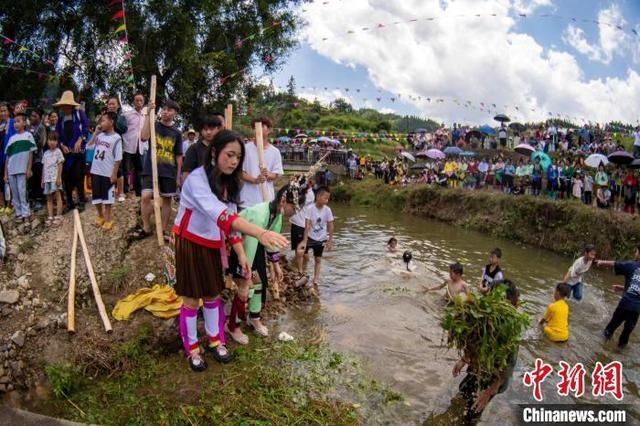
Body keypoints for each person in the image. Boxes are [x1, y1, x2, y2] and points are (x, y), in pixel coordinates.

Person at [172, 129, 287, 371]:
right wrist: (260, 233)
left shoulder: (228, 184)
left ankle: (216, 341)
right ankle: (191, 348)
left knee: (213, 294)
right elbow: (223, 216)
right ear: (214, 153)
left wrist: (242, 254)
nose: (234, 162)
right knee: (192, 299)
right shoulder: (196, 179)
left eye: (238, 157)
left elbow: (230, 222)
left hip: (213, 242)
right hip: (190, 241)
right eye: (229, 155)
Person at [226, 179, 304, 344]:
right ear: (283, 201)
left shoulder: (277, 213)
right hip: (239, 245)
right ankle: (233, 326)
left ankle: (254, 318)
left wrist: (275, 265)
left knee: (260, 284)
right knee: (245, 287)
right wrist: (247, 272)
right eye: (294, 208)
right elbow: (248, 248)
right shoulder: (259, 214)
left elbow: (272, 242)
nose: (294, 213)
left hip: (256, 245)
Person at [452, 280, 520, 423]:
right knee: (464, 390)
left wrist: (488, 392)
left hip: (495, 376)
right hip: (478, 366)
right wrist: (463, 360)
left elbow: (507, 369)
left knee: (473, 411)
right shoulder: (484, 319)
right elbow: (474, 344)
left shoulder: (510, 333)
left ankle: (473, 419)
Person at [137, 99, 183, 239]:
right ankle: (146, 227)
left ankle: (162, 229)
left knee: (167, 200)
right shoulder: (153, 125)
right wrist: (147, 114)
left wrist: (178, 175)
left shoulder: (177, 133)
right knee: (145, 197)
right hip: (150, 169)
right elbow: (144, 137)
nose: (165, 112)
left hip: (169, 171)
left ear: (175, 113)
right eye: (164, 109)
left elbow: (178, 156)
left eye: (169, 110)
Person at [54, 90, 90, 212]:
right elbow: (57, 135)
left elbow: (85, 129)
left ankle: (81, 201)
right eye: (63, 106)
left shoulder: (80, 114)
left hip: (78, 152)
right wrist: (61, 145)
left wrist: (80, 140)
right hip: (66, 153)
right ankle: (70, 202)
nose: (65, 108)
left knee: (79, 176)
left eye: (67, 105)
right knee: (67, 178)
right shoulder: (60, 119)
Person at [597, 248, 640, 349]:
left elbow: (614, 264)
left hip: (625, 304)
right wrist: (622, 288)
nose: (635, 253)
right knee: (626, 334)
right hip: (636, 309)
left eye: (637, 251)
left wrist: (601, 262)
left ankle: (600, 348)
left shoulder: (632, 265)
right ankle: (619, 353)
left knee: (611, 327)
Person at [87, 112, 122, 231]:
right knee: (96, 197)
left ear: (111, 122)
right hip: (96, 170)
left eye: (103, 120)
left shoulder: (117, 138)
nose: (101, 123)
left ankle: (108, 220)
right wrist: (95, 133)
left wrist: (114, 174)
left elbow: (118, 159)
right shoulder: (100, 135)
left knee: (107, 199)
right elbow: (89, 146)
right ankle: (100, 216)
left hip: (107, 172)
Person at [239, 118, 283, 208]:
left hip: (266, 199)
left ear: (269, 130)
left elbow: (276, 174)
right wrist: (255, 180)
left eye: (262, 126)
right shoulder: (245, 149)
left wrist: (267, 174)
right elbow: (240, 172)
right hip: (247, 200)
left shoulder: (275, 152)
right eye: (255, 127)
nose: (258, 129)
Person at [298, 186, 334, 287]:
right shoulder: (310, 209)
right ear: (318, 196)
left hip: (321, 238)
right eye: (325, 198)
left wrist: (330, 240)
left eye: (328, 199)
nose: (327, 201)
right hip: (310, 236)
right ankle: (300, 272)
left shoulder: (327, 210)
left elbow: (331, 225)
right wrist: (305, 240)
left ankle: (316, 278)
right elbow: (307, 225)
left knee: (318, 259)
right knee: (301, 252)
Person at [4, 113, 36, 221]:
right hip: (11, 169)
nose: (16, 124)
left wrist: (29, 168)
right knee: (15, 192)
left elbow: (31, 154)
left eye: (18, 121)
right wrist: (5, 173)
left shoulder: (28, 136)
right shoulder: (12, 138)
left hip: (22, 169)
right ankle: (18, 213)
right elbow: (8, 157)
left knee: (22, 191)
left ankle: (26, 213)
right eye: (15, 122)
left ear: (24, 123)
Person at [181, 115, 223, 180]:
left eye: (212, 129)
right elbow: (186, 173)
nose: (208, 132)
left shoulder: (223, 148)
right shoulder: (194, 149)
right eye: (205, 129)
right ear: (201, 131)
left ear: (218, 129)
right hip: (198, 187)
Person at [121, 93, 146, 197]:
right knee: (126, 168)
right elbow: (121, 127)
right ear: (133, 102)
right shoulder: (127, 114)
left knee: (139, 168)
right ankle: (125, 190)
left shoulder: (145, 115)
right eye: (137, 100)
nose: (139, 102)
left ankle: (138, 190)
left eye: (141, 100)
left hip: (140, 145)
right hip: (128, 144)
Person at [290, 177, 315, 274]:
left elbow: (295, 201)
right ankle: (305, 267)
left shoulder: (307, 195)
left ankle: (300, 270)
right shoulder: (307, 192)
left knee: (299, 250)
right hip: (299, 224)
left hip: (300, 224)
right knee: (303, 250)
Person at [41, 132, 64, 226]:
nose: (52, 142)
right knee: (49, 198)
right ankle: (50, 216)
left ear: (57, 142)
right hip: (47, 179)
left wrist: (59, 178)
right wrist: (42, 179)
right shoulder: (45, 153)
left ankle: (59, 216)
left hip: (55, 178)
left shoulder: (58, 152)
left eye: (54, 140)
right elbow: (44, 167)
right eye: (50, 140)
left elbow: (60, 165)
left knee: (58, 196)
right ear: (47, 141)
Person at [28, 108, 47, 211]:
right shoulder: (29, 127)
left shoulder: (41, 128)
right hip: (29, 159)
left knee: (38, 179)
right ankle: (32, 199)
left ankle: (39, 200)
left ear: (40, 118)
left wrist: (32, 143)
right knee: (32, 180)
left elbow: (42, 143)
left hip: (38, 158)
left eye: (35, 116)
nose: (32, 118)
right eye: (31, 115)